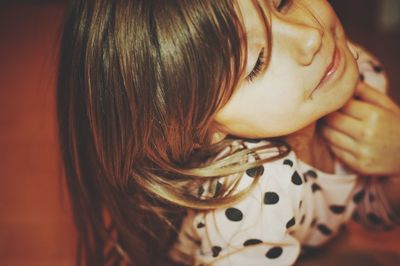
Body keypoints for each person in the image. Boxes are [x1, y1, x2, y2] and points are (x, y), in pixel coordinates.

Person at [56, 0, 400, 265]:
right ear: (201, 130)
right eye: (257, 62)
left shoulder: (346, 69)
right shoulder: (258, 193)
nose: (309, 35)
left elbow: (367, 207)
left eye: (282, 2)